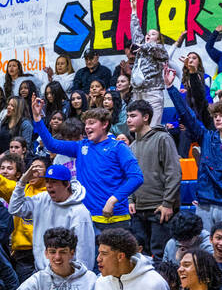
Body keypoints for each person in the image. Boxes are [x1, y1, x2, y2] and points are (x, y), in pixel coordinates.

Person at [165, 68, 222, 230]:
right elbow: (187, 114)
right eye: (215, 116)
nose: (217, 118)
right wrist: (171, 88)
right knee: (206, 249)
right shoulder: (206, 137)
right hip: (205, 203)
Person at [31, 99, 142, 232]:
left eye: (92, 123)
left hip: (114, 219)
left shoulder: (118, 147)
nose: (87, 127)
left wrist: (113, 199)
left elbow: (137, 177)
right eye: (86, 124)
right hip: (87, 218)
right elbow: (52, 145)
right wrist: (38, 119)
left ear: (105, 124)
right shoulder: (81, 146)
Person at [6, 162, 95, 271]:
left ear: (67, 184)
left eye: (54, 182)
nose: (48, 185)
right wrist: (22, 182)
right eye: (47, 181)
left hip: (68, 276)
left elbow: (84, 255)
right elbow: (14, 208)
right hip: (42, 272)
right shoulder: (42, 199)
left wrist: (79, 279)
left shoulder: (80, 213)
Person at [124, 100, 181, 259]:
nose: (128, 120)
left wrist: (168, 203)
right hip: (138, 211)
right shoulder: (132, 146)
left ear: (146, 117)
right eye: (127, 116)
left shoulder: (162, 138)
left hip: (160, 209)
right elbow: (129, 177)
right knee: (141, 257)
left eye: (133, 116)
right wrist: (130, 200)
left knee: (160, 257)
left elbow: (174, 172)